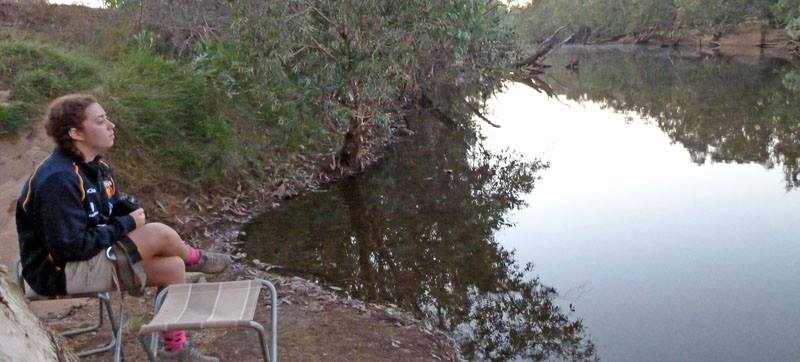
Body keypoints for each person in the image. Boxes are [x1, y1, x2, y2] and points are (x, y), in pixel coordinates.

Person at [16, 94, 228, 362]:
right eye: (101, 121)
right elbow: (69, 247)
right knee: (158, 234)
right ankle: (196, 259)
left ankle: (175, 350)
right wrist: (128, 224)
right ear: (75, 133)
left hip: (86, 256)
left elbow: (108, 208)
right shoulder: (58, 180)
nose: (111, 125)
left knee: (173, 267)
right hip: (58, 272)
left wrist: (123, 211)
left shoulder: (97, 167)